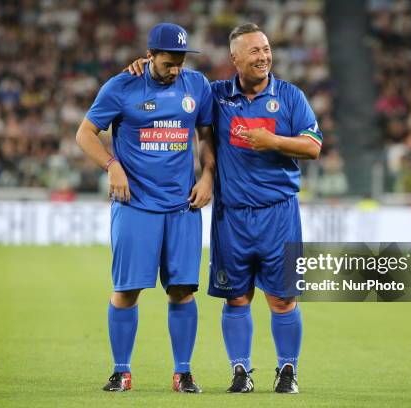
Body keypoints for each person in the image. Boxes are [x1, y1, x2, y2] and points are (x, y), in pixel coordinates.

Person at [127, 23, 322, 394]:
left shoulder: (292, 97)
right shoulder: (214, 95)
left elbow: (313, 147)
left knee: (282, 298)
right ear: (234, 59)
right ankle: (241, 370)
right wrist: (143, 66)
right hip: (231, 215)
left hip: (279, 212)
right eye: (254, 51)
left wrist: (272, 141)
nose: (264, 56)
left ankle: (287, 371)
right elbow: (175, 78)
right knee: (236, 297)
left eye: (266, 49)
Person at [76, 23, 215, 393]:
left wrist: (208, 176)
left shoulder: (196, 86)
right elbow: (84, 133)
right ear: (149, 56)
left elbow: (206, 135)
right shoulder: (121, 86)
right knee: (127, 290)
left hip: (183, 205)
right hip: (134, 203)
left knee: (183, 290)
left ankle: (183, 372)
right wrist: (112, 165)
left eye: (181, 62)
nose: (176, 69)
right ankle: (121, 371)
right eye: (169, 62)